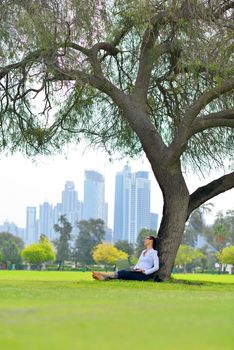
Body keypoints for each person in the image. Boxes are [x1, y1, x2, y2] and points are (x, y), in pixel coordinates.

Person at [92, 236, 159, 282]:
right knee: (124, 272)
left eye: (146, 238)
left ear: (151, 240)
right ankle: (104, 278)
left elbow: (156, 267)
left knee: (123, 273)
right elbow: (139, 263)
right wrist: (133, 268)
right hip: (136, 271)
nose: (144, 240)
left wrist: (144, 271)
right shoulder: (143, 251)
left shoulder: (154, 252)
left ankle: (101, 274)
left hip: (143, 275)